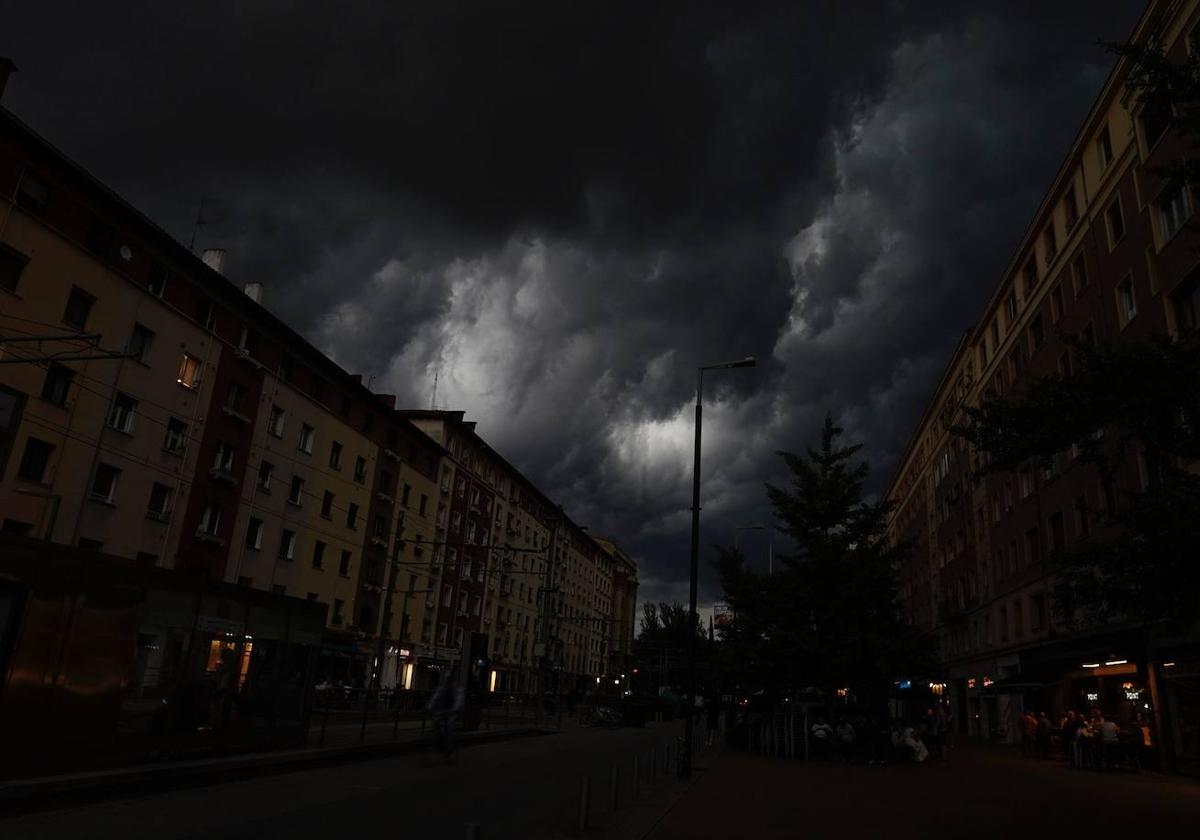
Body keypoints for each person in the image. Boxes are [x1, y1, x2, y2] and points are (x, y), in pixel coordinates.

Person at [426, 667, 465, 764]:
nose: (448, 681)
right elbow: (435, 698)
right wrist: (429, 706)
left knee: (449, 730)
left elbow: (458, 701)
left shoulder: (456, 689)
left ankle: (449, 751)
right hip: (440, 713)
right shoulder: (442, 688)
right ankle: (434, 750)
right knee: (435, 729)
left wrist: (455, 711)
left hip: (450, 714)